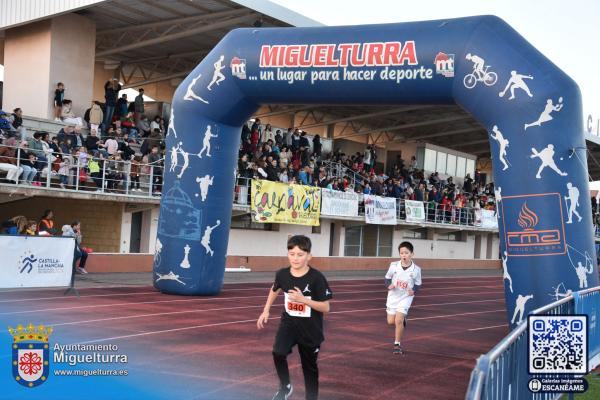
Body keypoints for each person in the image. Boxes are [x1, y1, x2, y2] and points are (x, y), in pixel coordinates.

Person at [257, 235, 333, 400]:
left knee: (309, 367)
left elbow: (326, 307)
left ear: (309, 256)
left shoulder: (317, 278)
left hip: (310, 329)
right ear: (287, 254)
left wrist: (303, 300)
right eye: (292, 254)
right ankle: (286, 387)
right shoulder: (282, 274)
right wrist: (266, 310)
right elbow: (275, 288)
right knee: (278, 352)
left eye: (300, 254)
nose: (295, 258)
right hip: (289, 324)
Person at [384, 241, 422, 355]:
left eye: (406, 253)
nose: (404, 255)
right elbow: (387, 278)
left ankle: (397, 345)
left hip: (406, 297)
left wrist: (413, 290)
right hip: (393, 296)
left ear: (412, 254)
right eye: (401, 253)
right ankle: (403, 320)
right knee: (391, 321)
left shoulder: (416, 269)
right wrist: (388, 285)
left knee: (398, 320)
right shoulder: (393, 265)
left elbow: (418, 284)